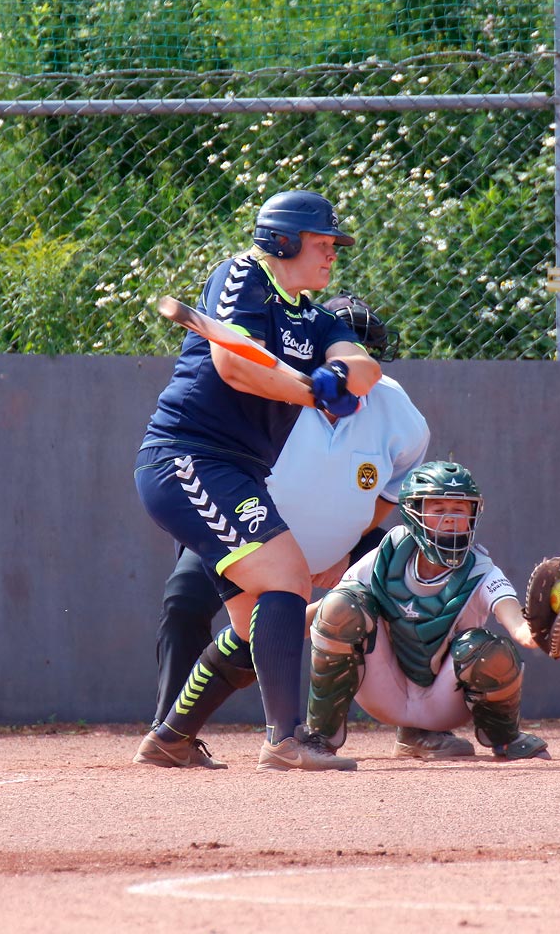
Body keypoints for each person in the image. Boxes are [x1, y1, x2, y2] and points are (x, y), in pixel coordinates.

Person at [133, 190, 382, 772]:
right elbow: (235, 364)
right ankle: (285, 739)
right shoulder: (243, 274)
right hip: (187, 457)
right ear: (283, 242)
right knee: (289, 574)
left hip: (238, 469)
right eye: (321, 245)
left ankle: (170, 737)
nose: (330, 257)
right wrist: (310, 391)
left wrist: (338, 376)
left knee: (253, 627)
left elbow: (364, 366)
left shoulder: (314, 318)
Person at [138, 294, 429, 769]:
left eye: (361, 350)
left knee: (407, 575)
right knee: (190, 602)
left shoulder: (400, 416)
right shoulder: (269, 399)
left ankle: (420, 729)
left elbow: (388, 494)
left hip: (331, 544)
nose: (350, 360)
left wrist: (346, 551)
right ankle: (169, 729)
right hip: (246, 526)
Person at [303, 460, 553, 765]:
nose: (450, 519)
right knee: (343, 604)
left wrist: (540, 631)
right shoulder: (390, 551)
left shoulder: (481, 569)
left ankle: (505, 738)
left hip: (443, 701)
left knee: (489, 650)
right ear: (412, 512)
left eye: (459, 510)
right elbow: (328, 612)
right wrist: (271, 633)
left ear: (473, 515)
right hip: (384, 690)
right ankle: (319, 738)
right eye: (437, 509)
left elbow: (515, 622)